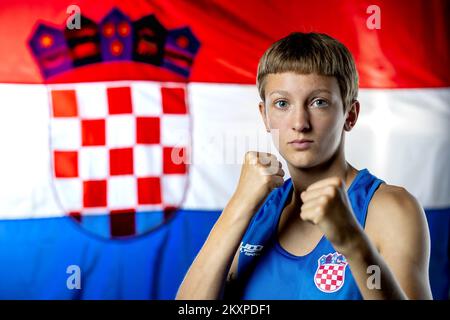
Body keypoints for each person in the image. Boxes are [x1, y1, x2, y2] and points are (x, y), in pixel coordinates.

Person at [176, 32, 433, 300]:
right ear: (265, 116)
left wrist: (353, 243)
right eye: (282, 104)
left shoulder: (390, 209)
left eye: (318, 102)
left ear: (350, 114)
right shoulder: (256, 208)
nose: (300, 122)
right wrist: (239, 205)